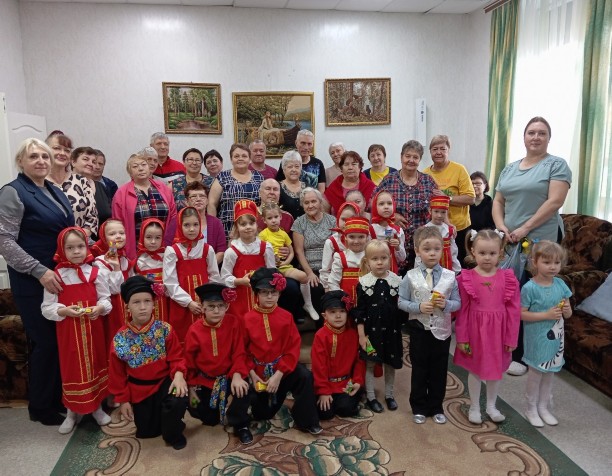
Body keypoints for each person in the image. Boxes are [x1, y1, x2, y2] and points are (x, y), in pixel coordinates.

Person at [0, 138, 74, 425]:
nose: (41, 161)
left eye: (45, 156)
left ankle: (57, 398)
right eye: (33, 156)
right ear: (21, 161)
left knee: (58, 341)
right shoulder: (13, 191)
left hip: (58, 278)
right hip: (33, 281)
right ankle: (41, 407)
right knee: (45, 342)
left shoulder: (53, 190)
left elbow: (65, 231)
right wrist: (38, 271)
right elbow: (5, 241)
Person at [493, 116, 572, 377]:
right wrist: (501, 227)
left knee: (532, 294)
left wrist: (526, 228)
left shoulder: (556, 165)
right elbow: (498, 201)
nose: (535, 137)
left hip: (540, 242)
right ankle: (509, 347)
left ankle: (529, 355)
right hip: (510, 240)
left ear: (549, 138)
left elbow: (555, 201)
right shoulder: (510, 168)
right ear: (524, 137)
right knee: (510, 292)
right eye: (531, 132)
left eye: (541, 133)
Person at [41, 226, 112, 434]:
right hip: (69, 333)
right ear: (61, 250)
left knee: (95, 364)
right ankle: (71, 412)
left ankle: (97, 408)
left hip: (93, 329)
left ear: (87, 247)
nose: (76, 251)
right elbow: (47, 307)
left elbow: (106, 299)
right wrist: (64, 311)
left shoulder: (96, 272)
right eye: (70, 248)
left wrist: (100, 308)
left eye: (80, 246)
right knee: (71, 369)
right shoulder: (56, 276)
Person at [108, 275, 189, 450]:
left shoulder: (165, 329)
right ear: (127, 306)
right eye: (136, 302)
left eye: (147, 301)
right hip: (139, 390)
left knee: (178, 399)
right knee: (147, 431)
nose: (143, 307)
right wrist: (123, 400)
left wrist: (179, 375)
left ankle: (174, 432)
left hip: (165, 383)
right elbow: (117, 374)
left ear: (154, 304)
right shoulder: (120, 338)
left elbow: (177, 357)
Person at [243, 267, 322, 435]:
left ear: (279, 294)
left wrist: (279, 375)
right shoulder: (247, 319)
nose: (269, 297)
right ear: (257, 294)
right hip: (258, 375)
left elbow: (292, 348)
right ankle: (283, 402)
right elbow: (242, 351)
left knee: (304, 376)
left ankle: (308, 421)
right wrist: (252, 374)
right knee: (262, 413)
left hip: (282, 370)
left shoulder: (286, 316)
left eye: (273, 292)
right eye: (264, 292)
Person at [453, 229, 520, 425]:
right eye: (482, 253)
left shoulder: (508, 279)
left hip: (498, 333)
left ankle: (491, 406)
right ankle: (474, 406)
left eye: (492, 253)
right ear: (473, 251)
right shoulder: (466, 278)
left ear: (500, 253)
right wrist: (462, 337)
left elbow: (514, 311)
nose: (487, 258)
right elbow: (462, 311)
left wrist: (511, 338)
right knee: (475, 370)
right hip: (475, 332)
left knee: (495, 370)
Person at [399, 227, 460, 424]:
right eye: (427, 249)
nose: (432, 253)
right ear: (418, 251)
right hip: (419, 330)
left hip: (442, 332)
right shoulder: (410, 276)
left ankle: (436, 406)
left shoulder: (450, 276)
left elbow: (458, 303)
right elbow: (401, 301)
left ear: (442, 250)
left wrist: (447, 304)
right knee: (419, 369)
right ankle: (418, 406)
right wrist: (417, 307)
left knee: (439, 370)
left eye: (436, 249)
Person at [185, 283, 253, 445]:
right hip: (207, 381)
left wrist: (237, 375)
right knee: (209, 419)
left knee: (243, 388)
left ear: (226, 306)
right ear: (202, 307)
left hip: (230, 376)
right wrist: (191, 387)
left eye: (220, 306)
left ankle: (241, 425)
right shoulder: (194, 330)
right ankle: (211, 409)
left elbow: (239, 352)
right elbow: (189, 360)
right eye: (211, 306)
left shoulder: (233, 323)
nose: (216, 311)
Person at [520, 241, 572, 427]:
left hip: (556, 340)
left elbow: (568, 314)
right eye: (547, 262)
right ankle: (530, 408)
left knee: (550, 373)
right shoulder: (529, 288)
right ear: (535, 262)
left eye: (557, 263)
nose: (553, 267)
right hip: (537, 337)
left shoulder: (561, 284)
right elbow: (521, 314)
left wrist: (566, 309)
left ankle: (543, 407)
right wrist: (546, 315)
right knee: (536, 373)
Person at [352, 240, 403, 413]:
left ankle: (389, 395)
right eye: (375, 259)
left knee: (390, 363)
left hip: (392, 332)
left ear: (390, 258)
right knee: (370, 364)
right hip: (371, 334)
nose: (379, 262)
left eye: (383, 258)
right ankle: (371, 397)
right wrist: (361, 336)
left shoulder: (396, 281)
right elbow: (359, 312)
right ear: (367, 262)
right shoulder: (364, 283)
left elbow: (400, 307)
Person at [374, 140, 438, 274]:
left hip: (422, 244)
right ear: (401, 157)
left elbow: (439, 207)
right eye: (408, 156)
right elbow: (373, 203)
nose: (411, 160)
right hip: (395, 244)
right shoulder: (389, 180)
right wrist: (392, 215)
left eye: (415, 157)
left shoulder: (428, 181)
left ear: (420, 160)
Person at [163, 207, 221, 343]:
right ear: (180, 226)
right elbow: (170, 283)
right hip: (181, 305)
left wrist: (209, 300)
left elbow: (214, 277)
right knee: (183, 338)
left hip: (204, 304)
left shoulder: (207, 249)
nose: (191, 229)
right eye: (186, 225)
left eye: (195, 224)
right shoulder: (172, 251)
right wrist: (188, 302)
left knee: (207, 338)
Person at [259, 202, 319, 321]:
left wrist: (286, 262)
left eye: (276, 217)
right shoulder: (262, 235)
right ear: (264, 220)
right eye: (270, 218)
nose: (273, 220)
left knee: (304, 277)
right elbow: (260, 253)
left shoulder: (283, 234)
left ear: (280, 217)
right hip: (269, 268)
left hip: (283, 266)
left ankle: (308, 304)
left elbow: (291, 252)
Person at [112, 153, 177, 259]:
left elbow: (173, 217)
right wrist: (120, 251)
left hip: (164, 249)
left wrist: (169, 244)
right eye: (135, 166)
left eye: (143, 165)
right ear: (130, 173)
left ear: (149, 168)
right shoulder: (121, 193)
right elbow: (117, 224)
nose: (141, 169)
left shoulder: (163, 188)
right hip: (135, 251)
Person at [423, 135, 475, 266]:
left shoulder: (459, 169)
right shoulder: (425, 173)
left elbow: (471, 198)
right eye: (435, 149)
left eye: (443, 149)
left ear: (448, 151)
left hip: (459, 229)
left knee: (458, 265)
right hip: (436, 229)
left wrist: (446, 198)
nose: (438, 152)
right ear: (430, 152)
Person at [312, 290, 365, 420]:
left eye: (342, 311)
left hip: (347, 382)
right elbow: (319, 366)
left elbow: (360, 360)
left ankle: (355, 396)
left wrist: (357, 381)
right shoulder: (320, 335)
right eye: (333, 312)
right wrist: (323, 391)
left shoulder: (353, 334)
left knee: (345, 408)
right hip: (326, 383)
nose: (338, 316)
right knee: (324, 413)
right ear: (324, 315)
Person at [220, 200, 276, 319]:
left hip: (262, 298)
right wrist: (239, 281)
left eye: (251, 223)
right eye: (243, 224)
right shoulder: (232, 252)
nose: (248, 227)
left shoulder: (265, 248)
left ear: (257, 224)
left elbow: (272, 273)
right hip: (240, 299)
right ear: (237, 227)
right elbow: (224, 278)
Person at [91, 219, 135, 354]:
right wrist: (116, 268)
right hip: (114, 310)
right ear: (104, 238)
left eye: (121, 233)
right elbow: (115, 290)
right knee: (117, 342)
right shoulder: (100, 262)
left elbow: (132, 283)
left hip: (129, 307)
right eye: (112, 234)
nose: (118, 236)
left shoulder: (125, 259)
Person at [292, 188, 336, 316]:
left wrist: (332, 270)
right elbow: (299, 252)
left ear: (320, 202)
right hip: (311, 268)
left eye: (313, 201)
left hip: (331, 267)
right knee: (316, 288)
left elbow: (336, 247)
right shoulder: (299, 223)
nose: (310, 205)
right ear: (302, 205)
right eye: (306, 203)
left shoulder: (332, 221)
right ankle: (321, 325)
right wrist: (310, 273)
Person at [207, 143, 264, 241]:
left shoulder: (259, 177)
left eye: (244, 156)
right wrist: (214, 228)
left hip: (252, 229)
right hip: (227, 230)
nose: (240, 159)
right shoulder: (222, 177)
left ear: (250, 159)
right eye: (236, 156)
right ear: (231, 159)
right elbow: (211, 203)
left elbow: (264, 203)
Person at [49, 145, 99, 239]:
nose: (90, 164)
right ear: (73, 162)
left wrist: (78, 237)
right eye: (85, 159)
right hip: (51, 240)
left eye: (94, 162)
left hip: (81, 240)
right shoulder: (46, 182)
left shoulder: (83, 182)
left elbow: (93, 217)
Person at [328, 216, 370, 303]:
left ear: (367, 237)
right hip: (345, 301)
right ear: (345, 237)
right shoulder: (340, 257)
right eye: (352, 237)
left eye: (361, 237)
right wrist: (341, 298)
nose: (356, 241)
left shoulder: (371, 256)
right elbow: (333, 282)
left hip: (368, 301)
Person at [134, 218, 169, 323]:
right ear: (142, 237)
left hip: (165, 301)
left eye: (157, 238)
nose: (153, 242)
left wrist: (165, 288)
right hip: (146, 302)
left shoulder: (167, 257)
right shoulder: (139, 261)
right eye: (148, 237)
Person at [184, 181, 226, 265]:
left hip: (210, 268)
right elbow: (169, 248)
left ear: (207, 201)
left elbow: (221, 251)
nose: (198, 199)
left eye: (202, 196)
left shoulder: (216, 223)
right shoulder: (177, 222)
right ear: (187, 202)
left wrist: (206, 266)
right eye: (193, 196)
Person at [320, 202, 360, 290]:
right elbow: (325, 269)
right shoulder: (331, 242)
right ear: (338, 218)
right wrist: (327, 288)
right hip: (335, 285)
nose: (346, 223)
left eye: (351, 219)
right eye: (343, 219)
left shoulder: (364, 240)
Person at [415, 195, 460, 273]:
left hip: (446, 266)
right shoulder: (424, 230)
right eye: (436, 211)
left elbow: (453, 251)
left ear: (447, 212)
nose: (439, 215)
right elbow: (419, 253)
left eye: (443, 212)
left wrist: (455, 269)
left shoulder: (449, 230)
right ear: (430, 211)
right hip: (429, 265)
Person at [324, 151, 376, 215]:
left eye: (354, 164)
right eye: (346, 164)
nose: (350, 168)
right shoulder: (333, 188)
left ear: (360, 167)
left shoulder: (370, 186)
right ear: (341, 168)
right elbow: (325, 212)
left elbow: (377, 210)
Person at [369, 191, 406, 274]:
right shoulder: (370, 229)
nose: (386, 207)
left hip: (392, 271)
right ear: (375, 207)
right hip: (374, 271)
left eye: (389, 203)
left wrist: (397, 247)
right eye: (381, 204)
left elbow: (402, 258)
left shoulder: (397, 230)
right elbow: (365, 254)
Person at [278, 150, 307, 219]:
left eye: (297, 166)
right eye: (290, 167)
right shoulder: (276, 188)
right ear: (284, 169)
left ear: (301, 168)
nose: (294, 170)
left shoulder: (308, 188)